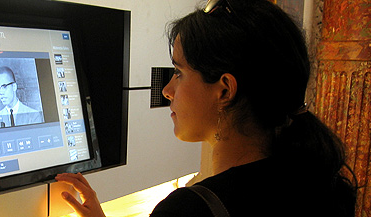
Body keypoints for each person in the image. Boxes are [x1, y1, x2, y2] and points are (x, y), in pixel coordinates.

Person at [55, 0, 358, 216]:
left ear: (225, 90)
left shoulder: (192, 208)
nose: (167, 90)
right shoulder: (317, 181)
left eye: (180, 72)